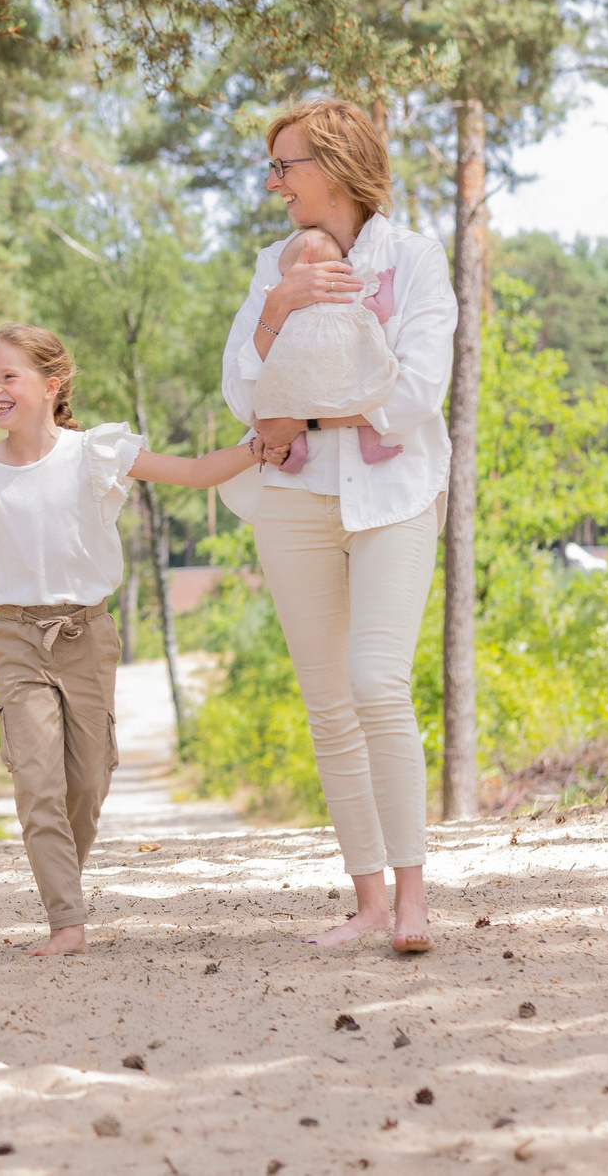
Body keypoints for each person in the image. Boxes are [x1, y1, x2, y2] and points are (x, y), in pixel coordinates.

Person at [0, 324, 259, 957]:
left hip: (89, 635)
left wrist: (262, 445)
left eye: (8, 376)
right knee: (38, 785)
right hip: (17, 639)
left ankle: (64, 887)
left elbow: (197, 472)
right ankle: (67, 921)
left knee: (87, 785)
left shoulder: (96, 453)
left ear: (50, 385)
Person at [222, 98, 458, 954]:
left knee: (376, 683)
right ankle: (365, 904)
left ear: (336, 167)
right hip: (292, 501)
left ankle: (413, 899)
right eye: (273, 166)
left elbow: (414, 397)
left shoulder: (418, 260)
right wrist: (277, 310)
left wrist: (305, 420)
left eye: (286, 165)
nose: (274, 182)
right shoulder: (269, 265)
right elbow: (242, 397)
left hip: (397, 498)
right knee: (328, 703)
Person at [253, 226, 405, 472]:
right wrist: (385, 285)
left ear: (308, 266)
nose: (284, 282)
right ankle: (370, 448)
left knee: (287, 404)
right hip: (344, 372)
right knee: (368, 398)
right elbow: (382, 311)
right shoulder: (353, 291)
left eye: (287, 275)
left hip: (302, 377)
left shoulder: (297, 301)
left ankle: (298, 451)